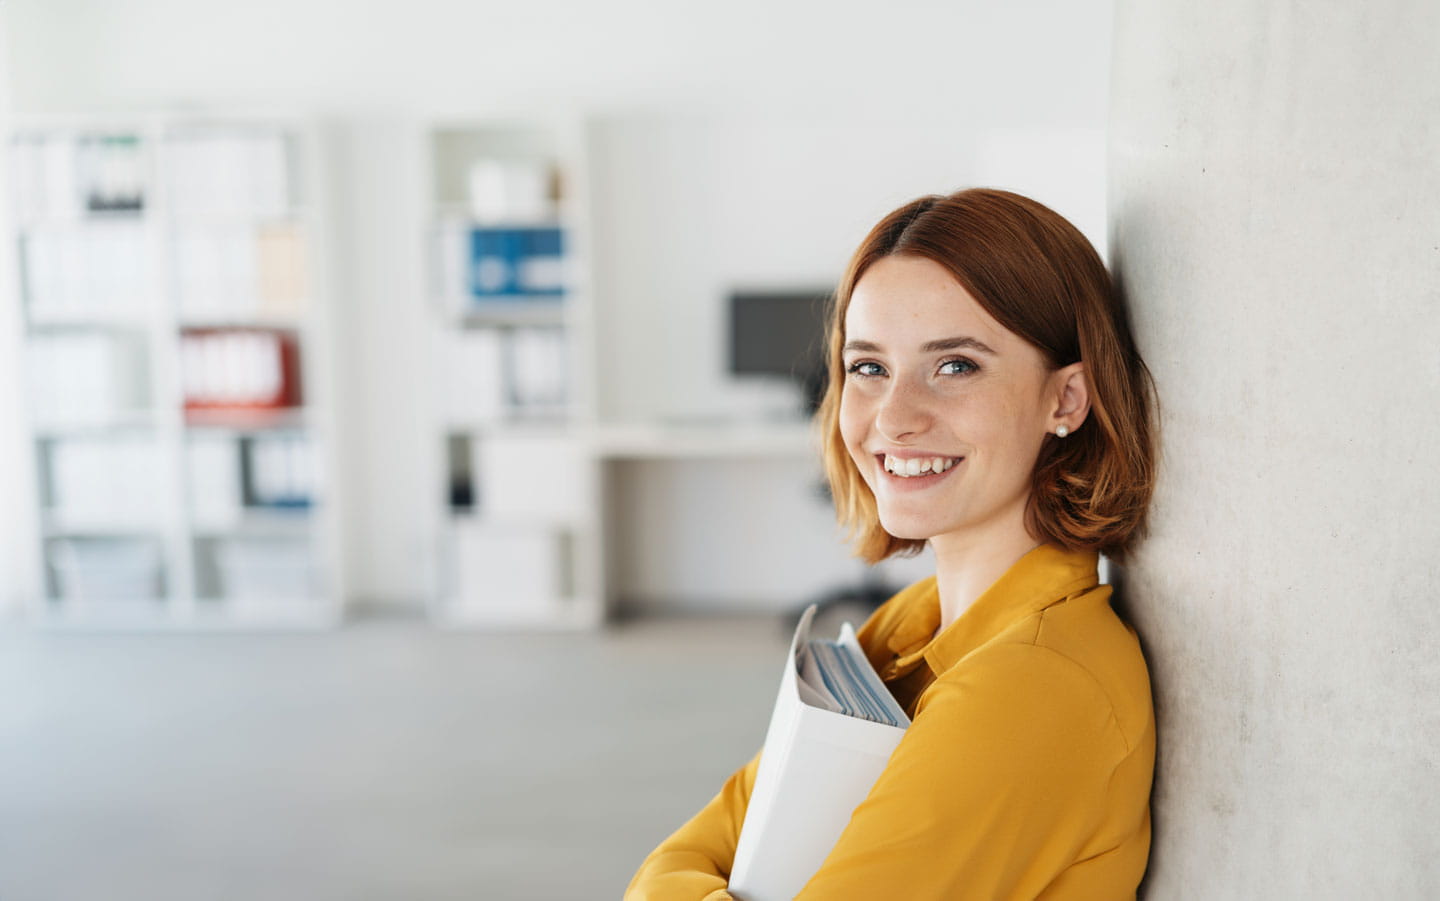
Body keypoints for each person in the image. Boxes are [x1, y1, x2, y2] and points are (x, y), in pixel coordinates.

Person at [626, 188, 1159, 900]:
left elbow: (677, 872)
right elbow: (680, 853)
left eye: (956, 365)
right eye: (869, 367)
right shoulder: (914, 621)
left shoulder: (1034, 684)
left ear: (1065, 400)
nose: (895, 417)